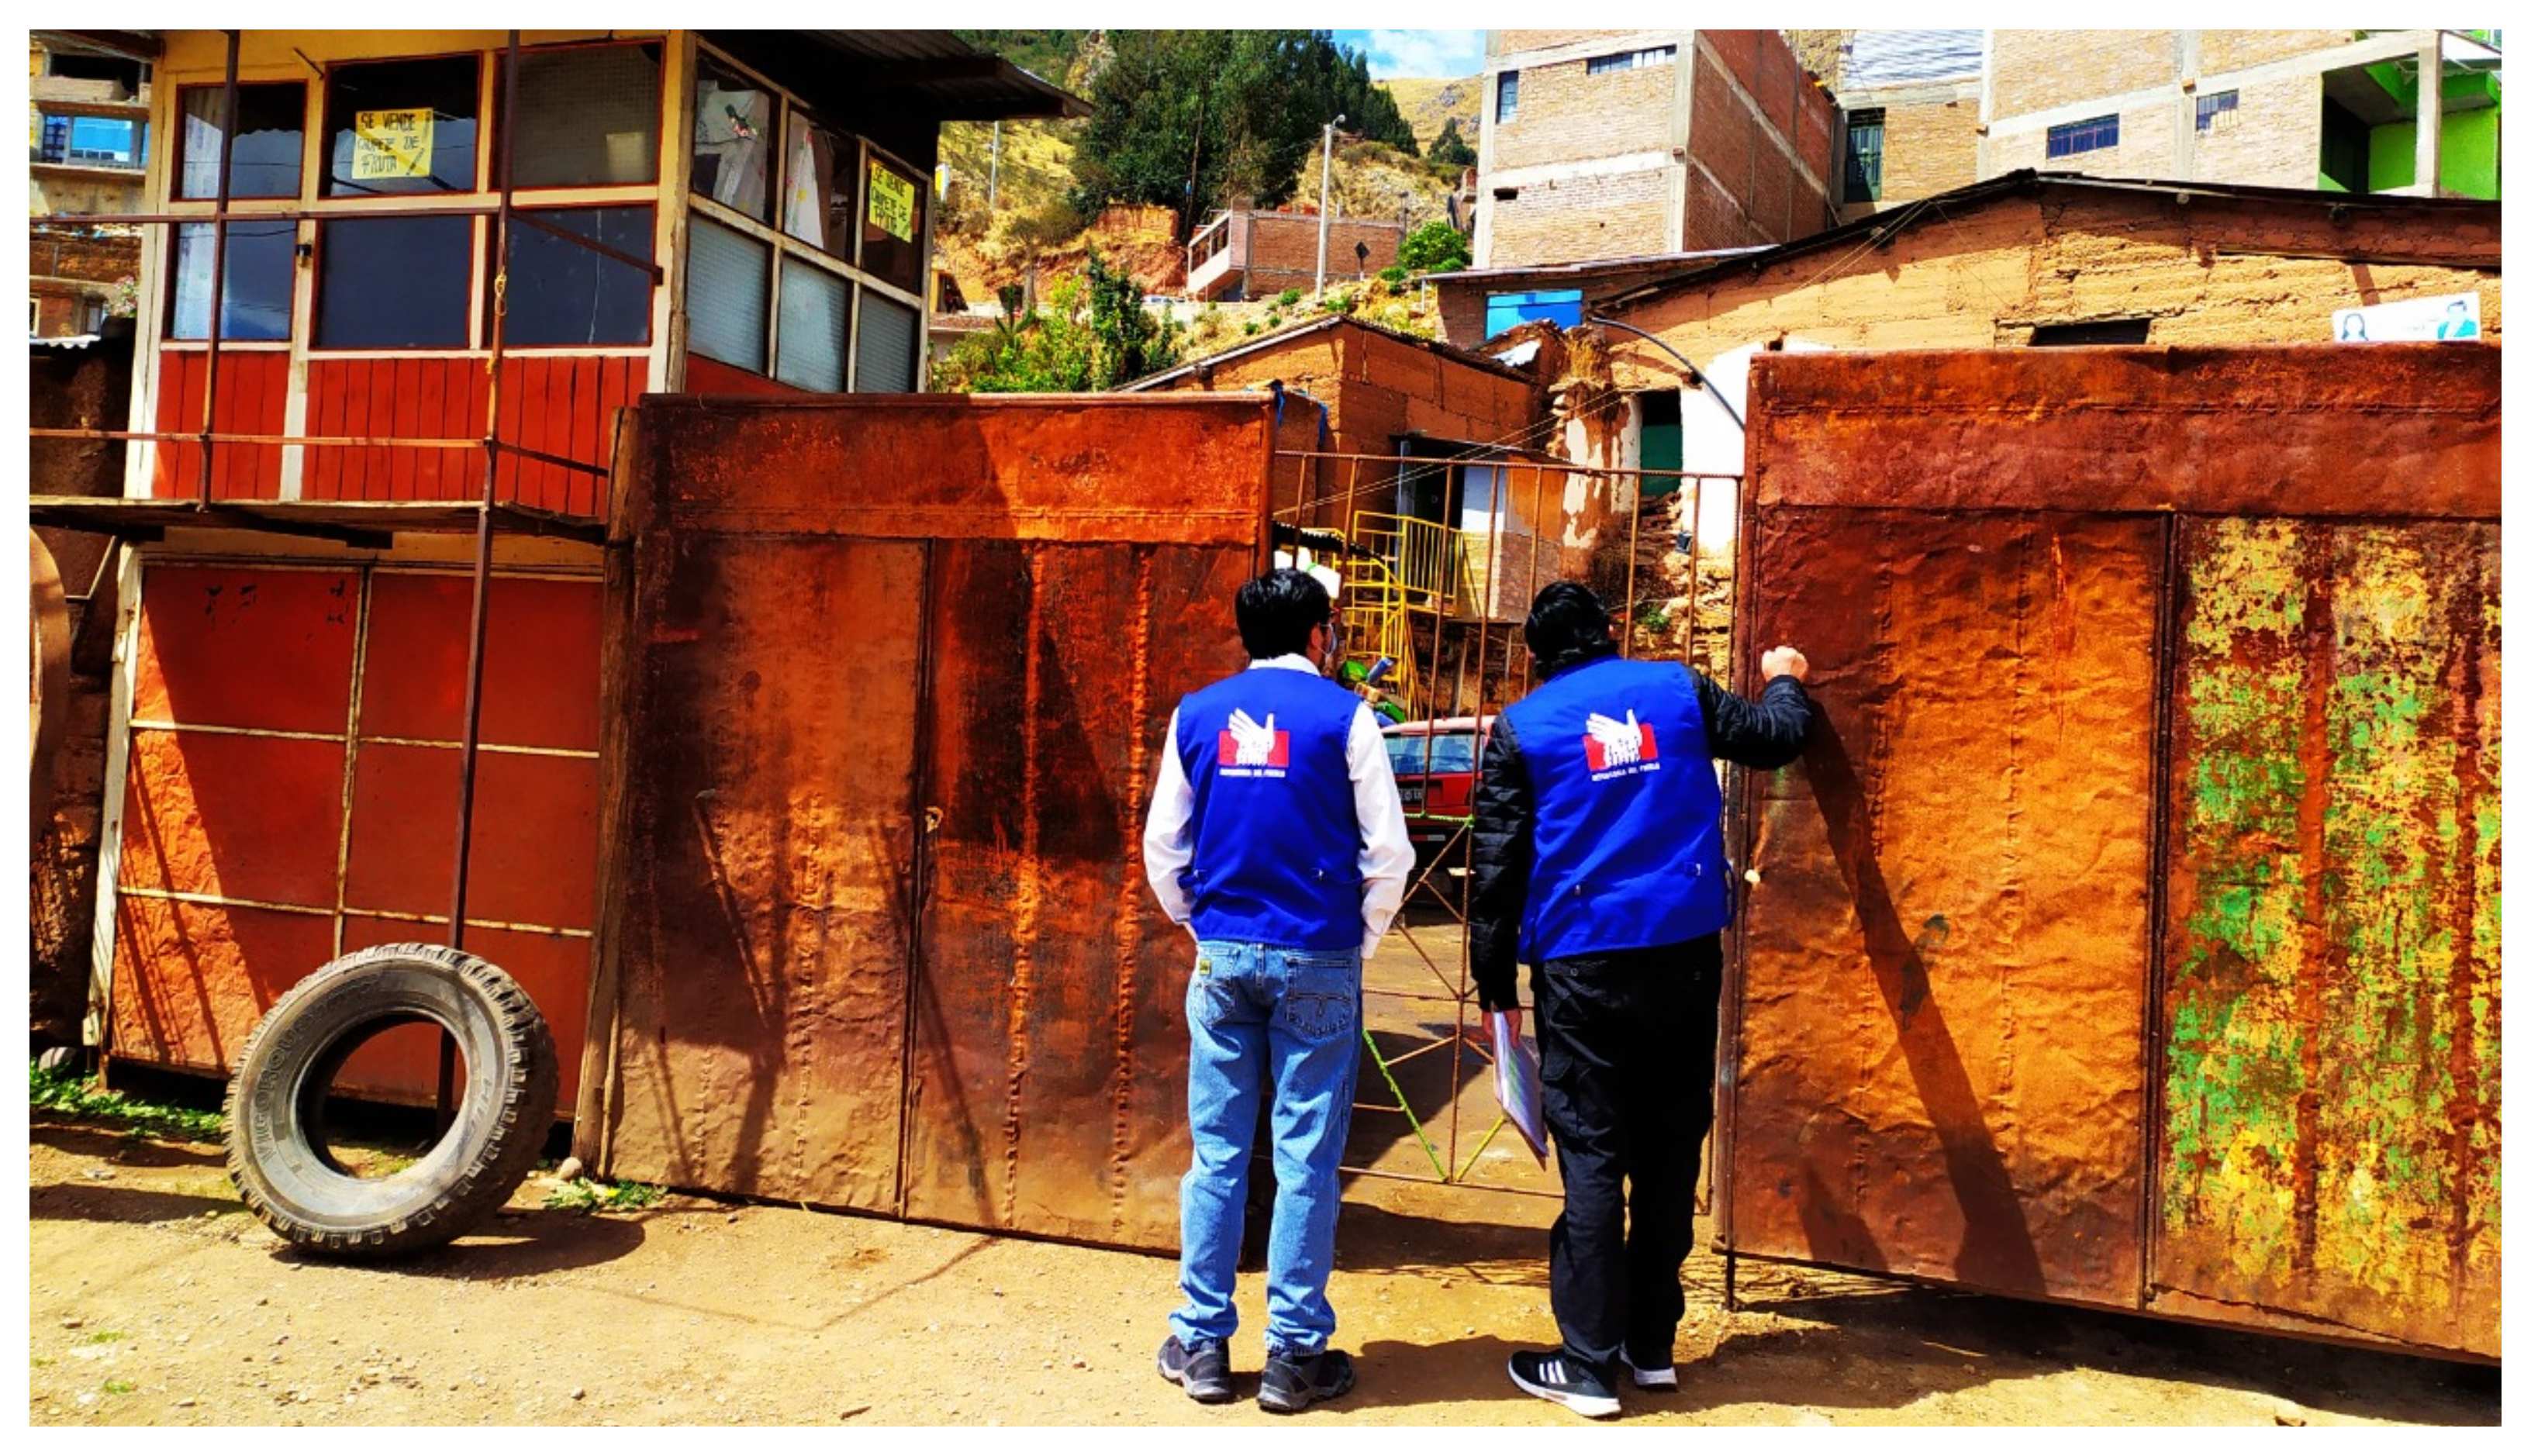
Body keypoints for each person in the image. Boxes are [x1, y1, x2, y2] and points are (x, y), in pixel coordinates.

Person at [1469, 582, 1814, 1417]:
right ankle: (1650, 1344)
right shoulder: (1678, 691)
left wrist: (1494, 990)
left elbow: (1496, 871)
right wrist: (1786, 676)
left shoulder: (1523, 728)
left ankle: (1588, 1365)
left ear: (1535, 658)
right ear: (1612, 632)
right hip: (1685, 955)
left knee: (1593, 1154)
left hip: (1582, 970)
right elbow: (1774, 739)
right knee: (1669, 1146)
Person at [1142, 567, 1414, 1413]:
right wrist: (1355, 943)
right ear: (1318, 634)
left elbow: (1164, 848)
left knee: (1218, 1152)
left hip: (1224, 958)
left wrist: (1203, 928)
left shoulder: (1197, 714)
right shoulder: (1348, 716)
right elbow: (1390, 856)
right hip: (1319, 958)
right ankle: (1295, 1357)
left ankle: (1202, 1344)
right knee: (1306, 1160)